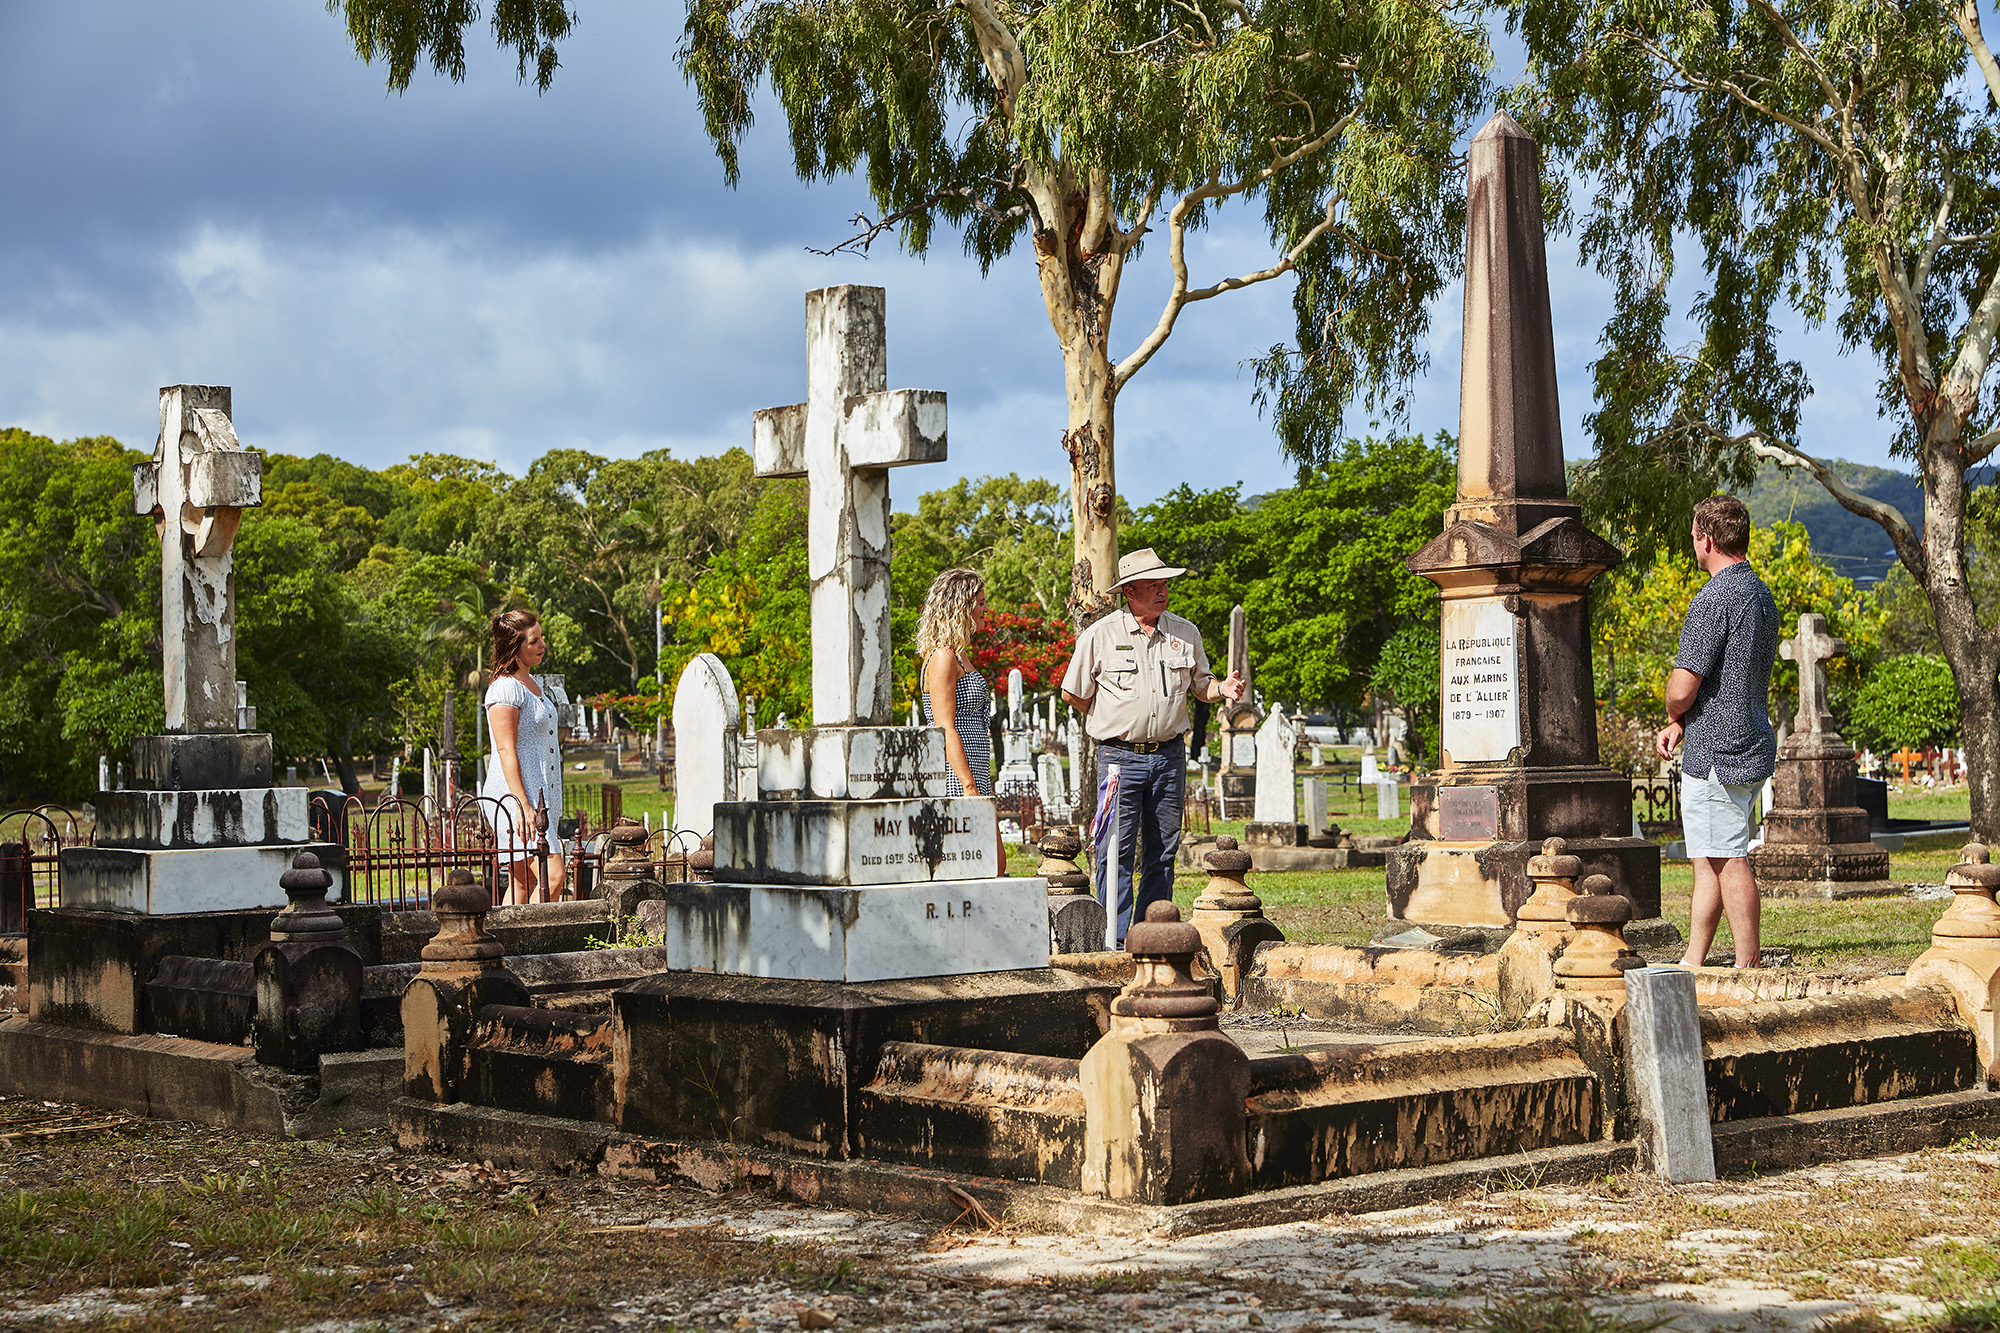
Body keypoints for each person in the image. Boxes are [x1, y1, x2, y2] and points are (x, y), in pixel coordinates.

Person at [1059, 548, 1247, 945]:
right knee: (1117, 852)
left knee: (1162, 852)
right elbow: (1073, 693)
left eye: (1165, 584)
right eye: (1153, 586)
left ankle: (1151, 939)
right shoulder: (1100, 635)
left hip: (1169, 757)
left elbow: (1202, 686)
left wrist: (1222, 689)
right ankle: (1113, 941)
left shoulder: (1185, 632)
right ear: (1129, 592)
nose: (1163, 592)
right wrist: (1115, 718)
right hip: (1118, 759)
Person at [1655, 495, 1780, 968]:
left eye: (1693, 537)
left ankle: (1748, 965)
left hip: (1716, 751)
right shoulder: (1760, 593)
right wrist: (1680, 724)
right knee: (1709, 856)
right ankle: (1694, 960)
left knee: (1728, 858)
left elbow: (1685, 685)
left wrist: (1673, 709)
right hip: (1747, 737)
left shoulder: (1714, 598)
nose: (1694, 545)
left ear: (1706, 540)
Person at [917, 568, 1006, 870]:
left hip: (975, 771)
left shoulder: (960, 653)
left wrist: (983, 783)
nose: (985, 609)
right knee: (976, 866)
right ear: (961, 606)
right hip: (955, 776)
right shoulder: (942, 657)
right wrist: (969, 788)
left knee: (995, 865)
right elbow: (944, 726)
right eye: (980, 602)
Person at [481, 608, 568, 906]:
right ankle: (530, 948)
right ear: (514, 647)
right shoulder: (505, 688)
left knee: (522, 883)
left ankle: (505, 946)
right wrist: (523, 804)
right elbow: (506, 750)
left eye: (541, 637)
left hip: (538, 796)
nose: (542, 645)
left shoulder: (532, 684)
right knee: (553, 876)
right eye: (534, 641)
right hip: (519, 797)